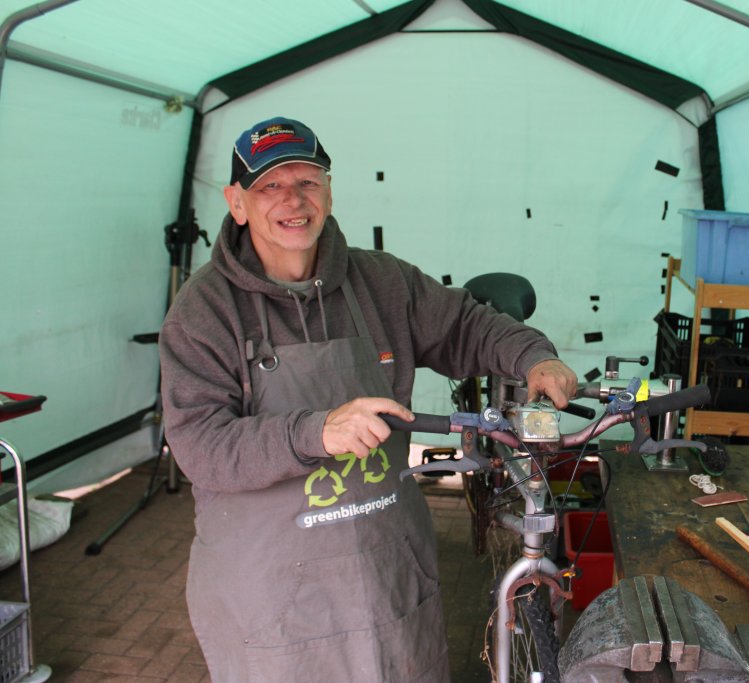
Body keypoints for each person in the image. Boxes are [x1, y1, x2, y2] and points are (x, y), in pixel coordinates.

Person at [158, 116, 577, 682]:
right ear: (238, 203)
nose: (293, 200)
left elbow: (465, 326)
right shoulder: (203, 310)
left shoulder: (382, 281)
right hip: (271, 595)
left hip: (385, 576)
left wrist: (533, 356)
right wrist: (315, 432)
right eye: (270, 186)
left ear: (329, 191)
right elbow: (201, 445)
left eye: (307, 181)